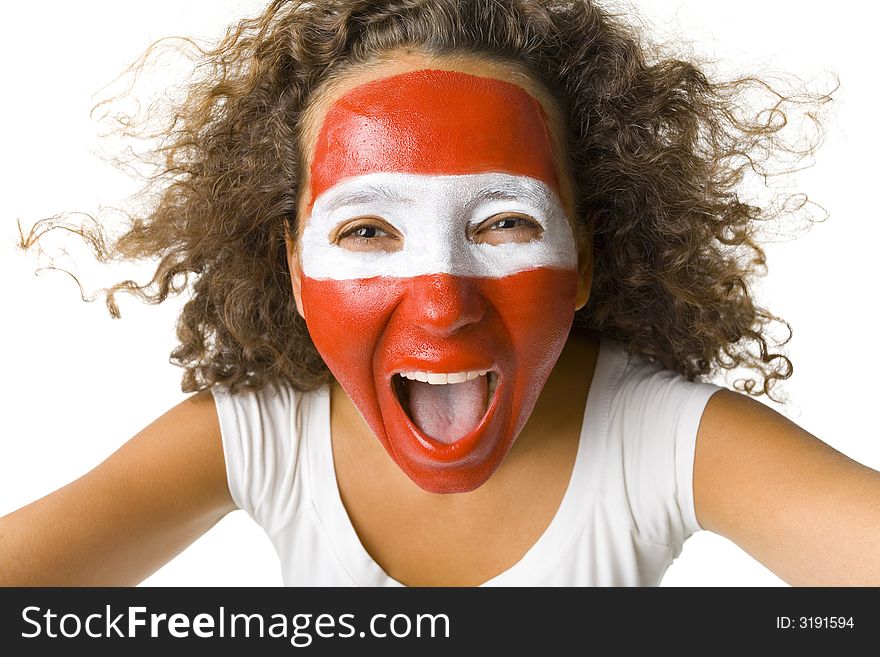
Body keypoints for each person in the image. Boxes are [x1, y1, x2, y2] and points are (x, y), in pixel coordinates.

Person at [2, 0, 878, 586]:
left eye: (503, 224)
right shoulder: (256, 436)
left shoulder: (665, 440)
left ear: (587, 261)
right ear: (294, 271)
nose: (442, 305)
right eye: (367, 231)